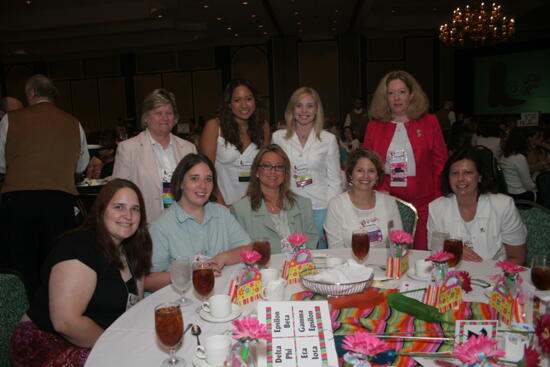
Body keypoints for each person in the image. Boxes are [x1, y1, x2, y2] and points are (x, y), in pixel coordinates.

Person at [9, 179, 152, 367]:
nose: (128, 215)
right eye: (119, 207)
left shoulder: (130, 250)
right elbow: (66, 322)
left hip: (97, 340)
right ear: (101, 211)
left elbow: (133, 306)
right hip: (43, 342)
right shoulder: (79, 248)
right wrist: (115, 345)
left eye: (135, 209)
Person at [0, 75, 90, 297]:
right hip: (59, 201)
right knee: (58, 261)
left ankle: (24, 315)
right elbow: (81, 165)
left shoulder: (10, 120)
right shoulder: (73, 122)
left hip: (18, 200)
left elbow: (1, 164)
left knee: (22, 264)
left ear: (31, 94)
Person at [363, 70, 448, 250]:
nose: (397, 98)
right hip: (386, 199)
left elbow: (440, 162)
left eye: (402, 92)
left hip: (425, 201)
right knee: (390, 251)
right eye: (391, 93)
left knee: (423, 251)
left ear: (411, 95)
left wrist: (437, 198)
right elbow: (367, 165)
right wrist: (378, 190)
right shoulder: (374, 126)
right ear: (384, 97)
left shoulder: (430, 122)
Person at [146, 154, 254, 291]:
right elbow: (148, 280)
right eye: (194, 179)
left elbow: (249, 249)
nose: (203, 186)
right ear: (180, 183)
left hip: (221, 293)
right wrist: (189, 274)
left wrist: (223, 257)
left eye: (208, 179)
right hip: (182, 300)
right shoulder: (161, 226)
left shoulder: (221, 213)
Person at [428, 147, 526, 265]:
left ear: (480, 177)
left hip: (496, 275)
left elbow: (517, 257)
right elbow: (435, 253)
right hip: (451, 275)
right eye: (454, 174)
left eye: (467, 173)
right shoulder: (436, 208)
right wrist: (453, 251)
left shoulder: (503, 205)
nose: (460, 179)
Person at [272, 87, 343, 249]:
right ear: (292, 109)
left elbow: (335, 180)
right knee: (291, 256)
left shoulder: (328, 139)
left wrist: (331, 213)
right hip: (288, 206)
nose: (304, 111)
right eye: (299, 105)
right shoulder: (278, 138)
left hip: (319, 208)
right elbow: (274, 175)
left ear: (317, 109)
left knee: (319, 259)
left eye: (310, 106)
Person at [113, 89, 196, 223]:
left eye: (169, 113)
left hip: (184, 223)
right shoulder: (128, 149)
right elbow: (118, 194)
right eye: (158, 113)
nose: (164, 117)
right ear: (146, 117)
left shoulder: (188, 148)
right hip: (146, 226)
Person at [232, 144, 319, 253]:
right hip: (262, 268)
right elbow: (241, 251)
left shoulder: (303, 204)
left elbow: (311, 244)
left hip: (299, 267)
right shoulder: (241, 210)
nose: (273, 171)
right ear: (257, 172)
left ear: (285, 173)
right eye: (267, 166)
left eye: (279, 166)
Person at [200, 79, 271, 207]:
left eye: (249, 99)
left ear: (255, 101)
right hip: (221, 203)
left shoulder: (263, 127)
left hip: (255, 204)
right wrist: (222, 206)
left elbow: (266, 170)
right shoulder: (214, 127)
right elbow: (206, 172)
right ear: (228, 104)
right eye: (237, 100)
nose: (244, 105)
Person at [325, 149, 403, 248]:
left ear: (377, 176)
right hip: (347, 262)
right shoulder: (336, 205)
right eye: (360, 170)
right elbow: (336, 250)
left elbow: (398, 243)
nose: (365, 176)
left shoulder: (389, 202)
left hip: (383, 262)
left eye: (371, 171)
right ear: (350, 174)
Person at [499, 128, 537, 202]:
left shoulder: (504, 156)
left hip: (509, 193)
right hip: (521, 195)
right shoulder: (519, 157)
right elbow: (528, 184)